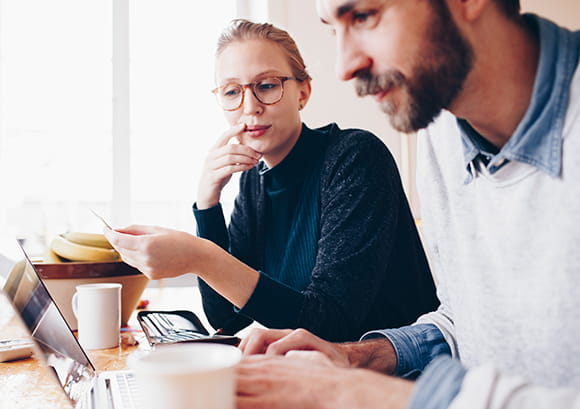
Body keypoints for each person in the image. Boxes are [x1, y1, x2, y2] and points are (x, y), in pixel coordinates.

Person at [234, 0, 580, 408]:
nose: (345, 66)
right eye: (333, 29)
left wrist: (374, 396)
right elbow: (459, 324)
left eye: (364, 16)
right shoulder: (441, 131)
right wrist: (353, 357)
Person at [104, 19, 439, 342]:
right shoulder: (255, 182)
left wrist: (199, 256)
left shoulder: (355, 157)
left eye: (266, 86)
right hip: (310, 380)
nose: (250, 107)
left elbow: (330, 326)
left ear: (303, 93)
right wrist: (207, 204)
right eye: (232, 91)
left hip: (393, 383)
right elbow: (227, 317)